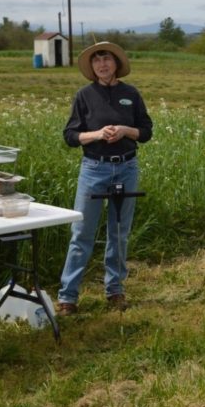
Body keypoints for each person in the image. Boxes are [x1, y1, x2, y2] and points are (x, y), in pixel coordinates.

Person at [57, 41, 153, 316]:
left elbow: (146, 131)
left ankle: (115, 290)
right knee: (81, 233)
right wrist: (98, 134)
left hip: (126, 168)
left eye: (107, 59)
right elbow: (70, 136)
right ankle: (68, 297)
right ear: (92, 67)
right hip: (94, 169)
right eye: (97, 60)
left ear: (116, 64)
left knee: (119, 233)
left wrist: (125, 130)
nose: (102, 64)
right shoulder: (84, 96)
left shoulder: (131, 94)